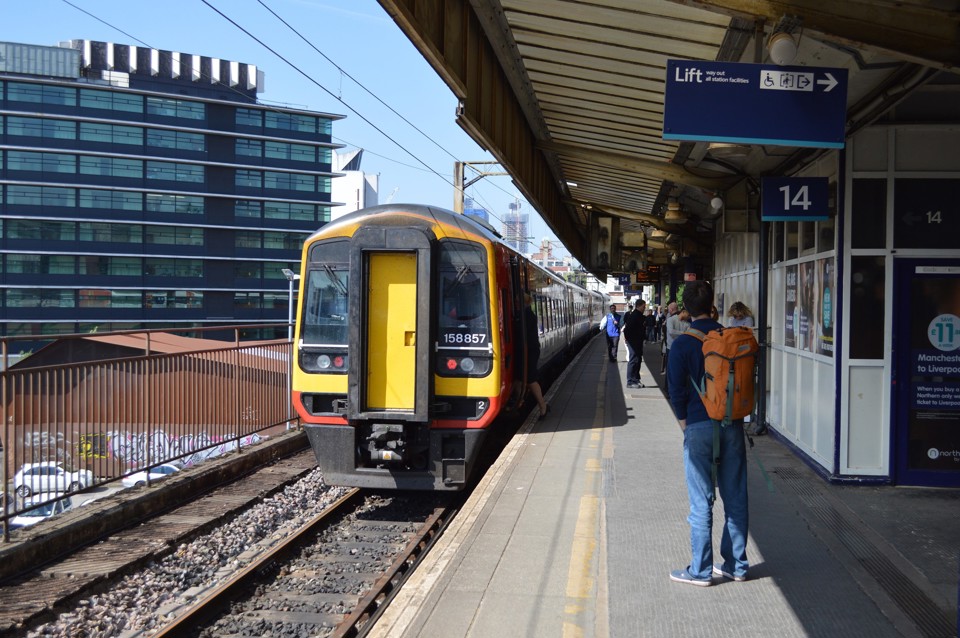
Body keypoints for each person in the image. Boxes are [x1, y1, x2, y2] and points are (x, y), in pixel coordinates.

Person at [666, 280, 749, 587]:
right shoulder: (729, 337)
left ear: (686, 309)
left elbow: (676, 392)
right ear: (712, 304)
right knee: (736, 497)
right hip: (732, 425)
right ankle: (736, 565)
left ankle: (700, 570)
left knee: (701, 501)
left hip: (699, 427)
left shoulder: (682, 345)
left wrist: (685, 426)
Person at [523, 292, 549, 419]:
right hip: (529, 351)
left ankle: (543, 406)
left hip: (530, 351)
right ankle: (519, 402)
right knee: (523, 379)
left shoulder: (527, 315)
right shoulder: (526, 314)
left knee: (530, 379)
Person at [623, 299, 646, 388]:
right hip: (633, 341)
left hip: (637, 341)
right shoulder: (634, 315)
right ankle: (630, 381)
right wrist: (628, 340)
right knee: (633, 360)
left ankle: (636, 379)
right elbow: (627, 329)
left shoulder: (638, 315)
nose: (644, 308)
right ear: (638, 306)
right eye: (643, 307)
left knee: (638, 359)